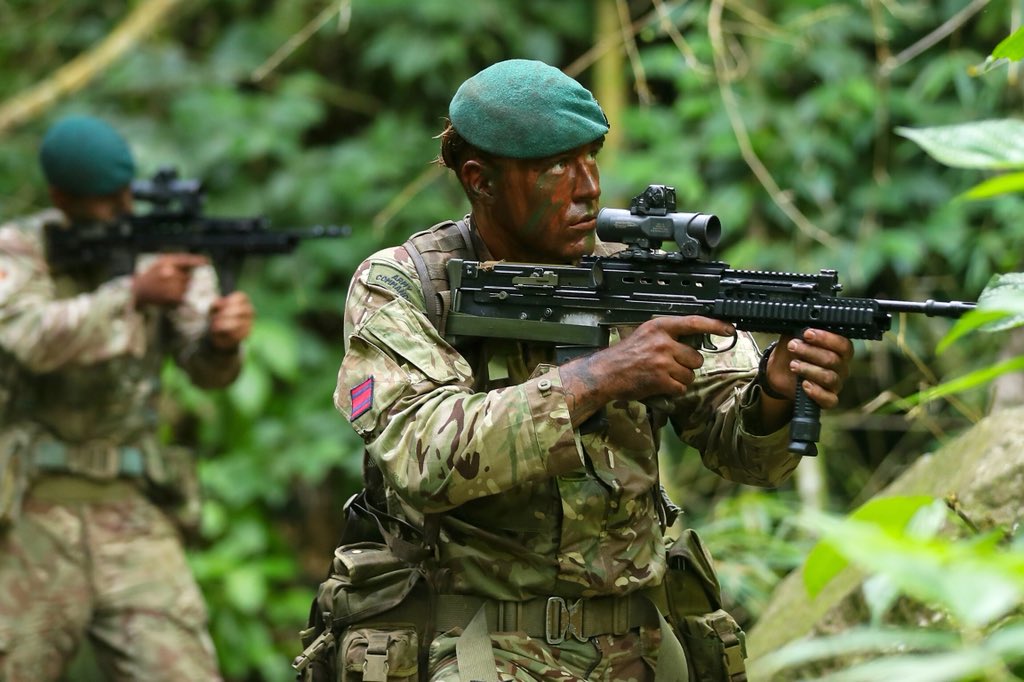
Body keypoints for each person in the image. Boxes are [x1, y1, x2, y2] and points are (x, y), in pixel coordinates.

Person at [328, 59, 853, 681]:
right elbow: (424, 455)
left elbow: (745, 452)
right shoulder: (404, 285)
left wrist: (773, 389)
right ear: (481, 180)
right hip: (473, 647)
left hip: (639, 648)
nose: (588, 187)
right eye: (554, 165)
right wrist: (600, 377)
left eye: (591, 157)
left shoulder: (634, 280)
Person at [0, 114, 254, 681]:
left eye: (125, 196)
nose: (122, 212)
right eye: (104, 202)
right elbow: (28, 338)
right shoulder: (18, 252)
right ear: (60, 197)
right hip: (26, 513)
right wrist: (132, 295)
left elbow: (207, 370)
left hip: (130, 509)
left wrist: (220, 340)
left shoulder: (157, 249)